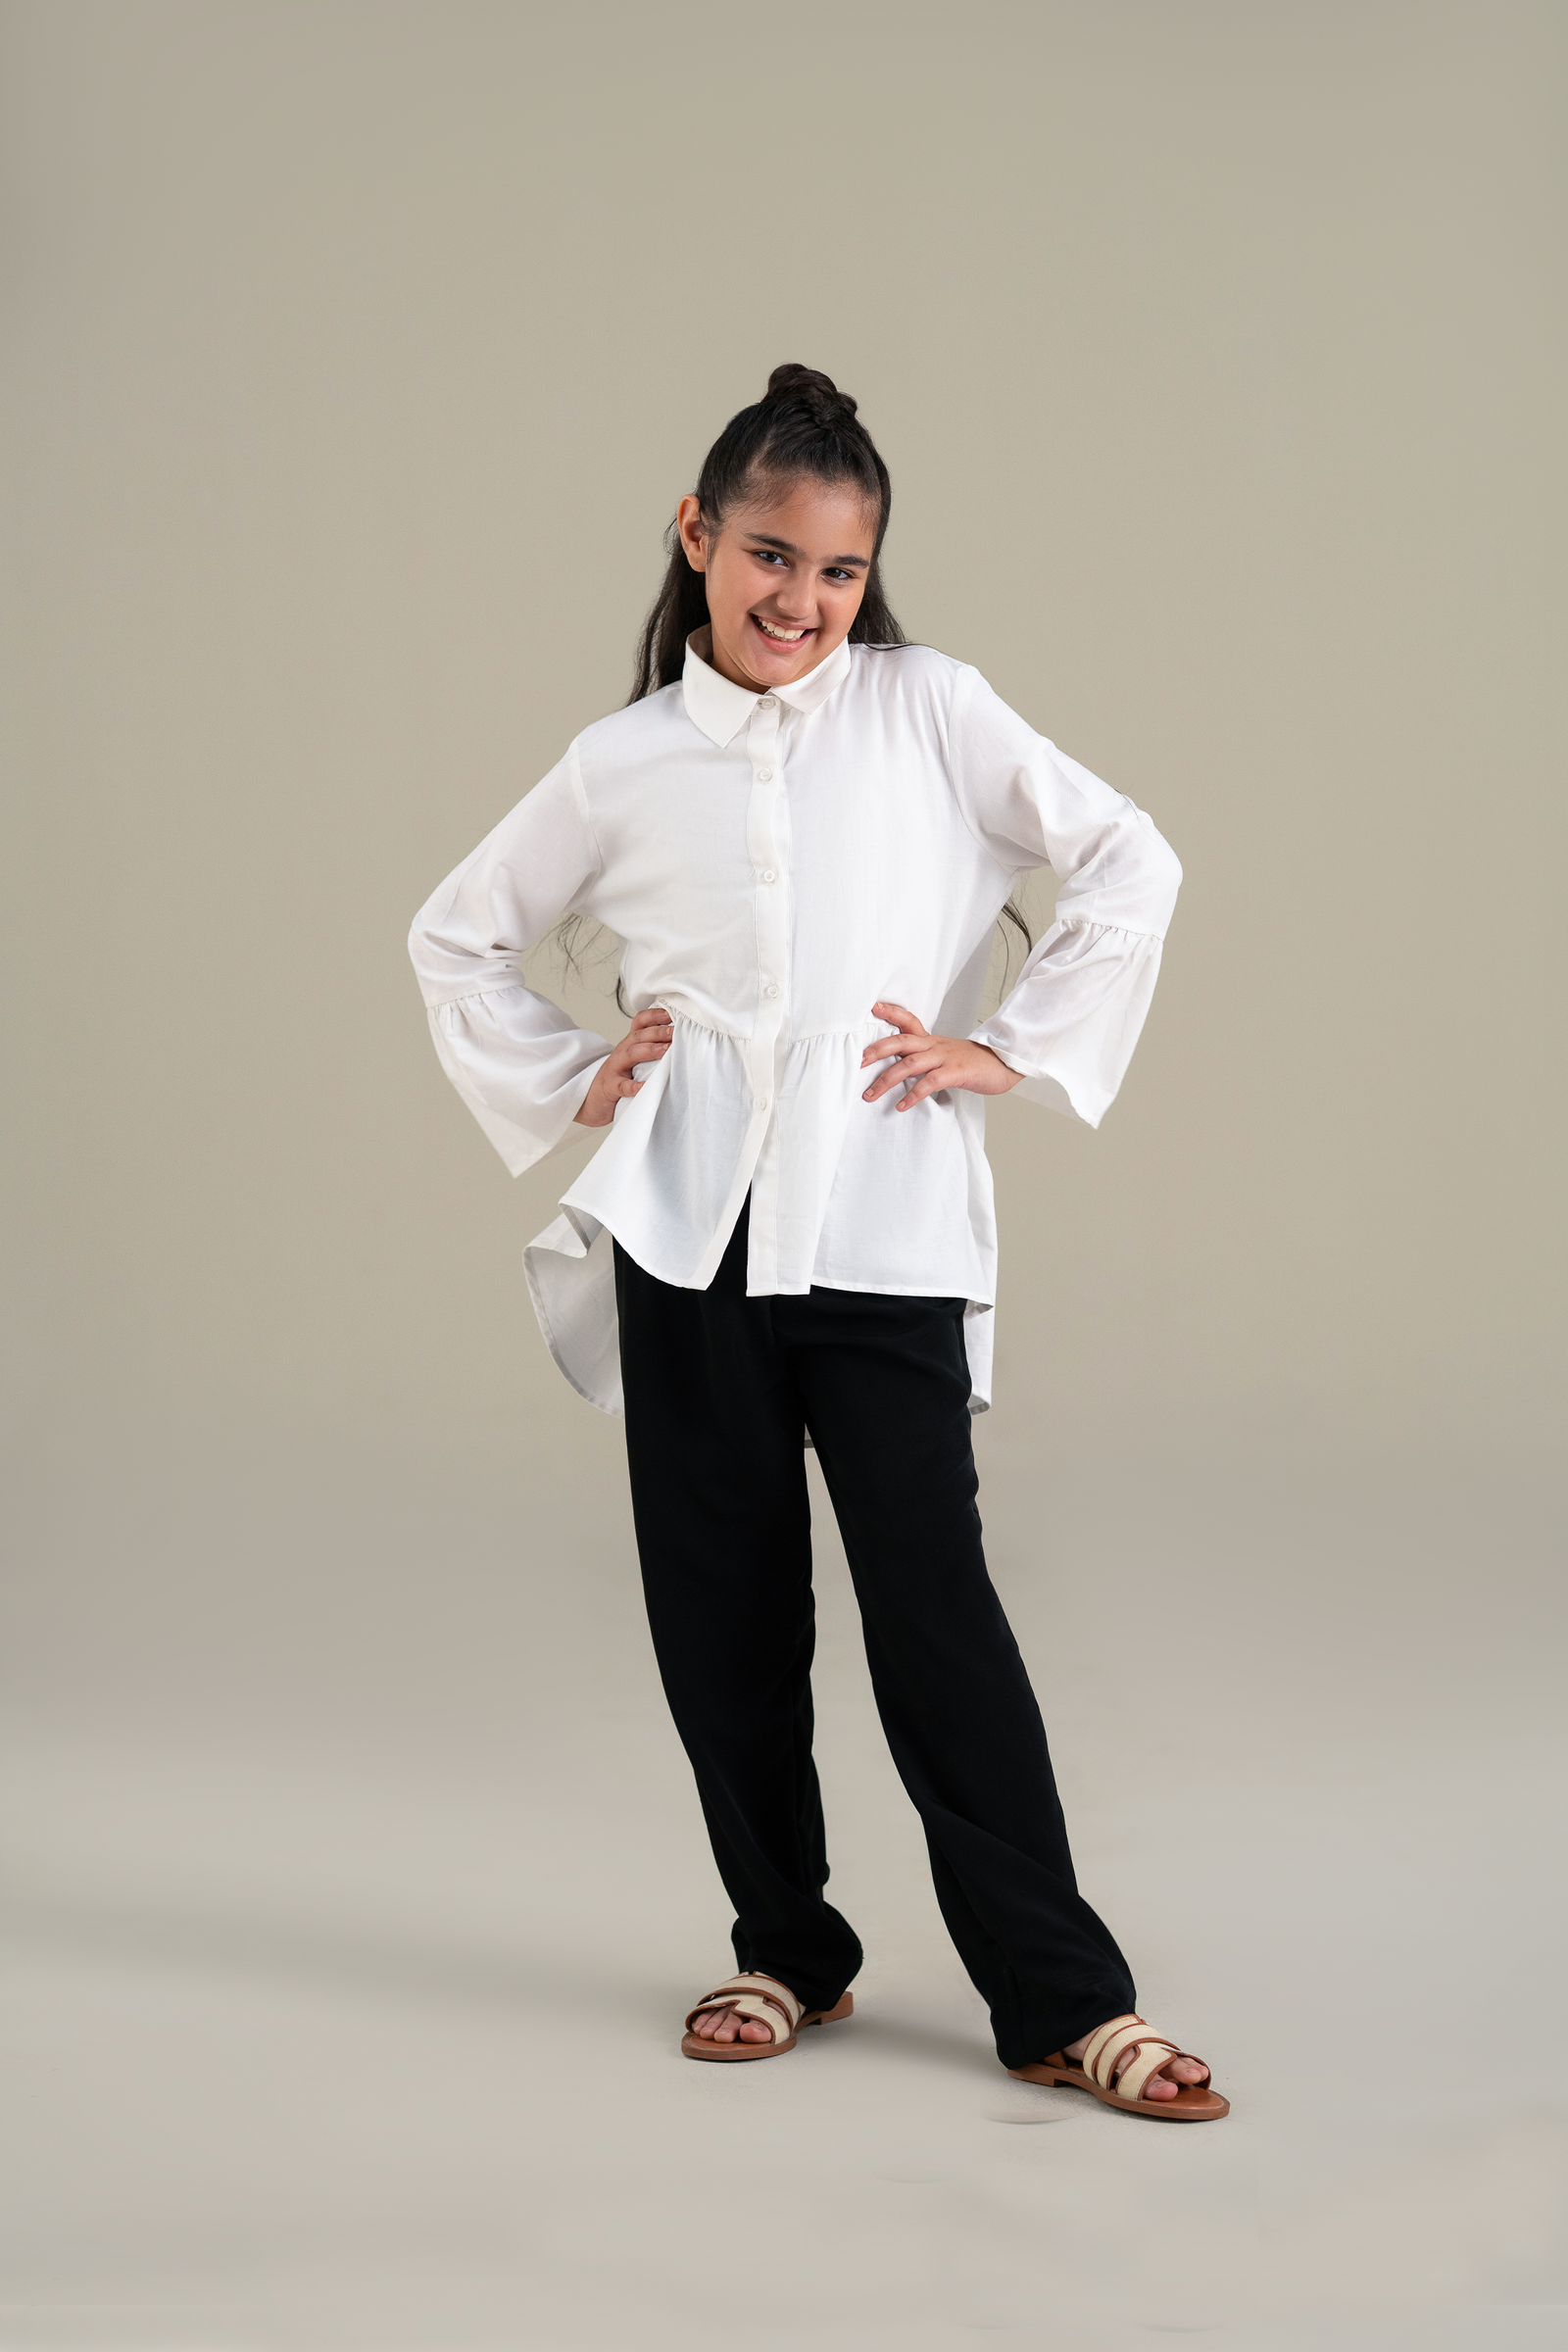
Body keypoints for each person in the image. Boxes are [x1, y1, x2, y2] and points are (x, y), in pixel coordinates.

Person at [409, 365, 1226, 2121]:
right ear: (698, 538)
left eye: (838, 570)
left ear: (871, 577)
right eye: (770, 554)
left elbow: (1128, 859)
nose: (799, 599)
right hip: (688, 1234)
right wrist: (574, 1074)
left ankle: (1065, 2000)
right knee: (722, 1612)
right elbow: (455, 936)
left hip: (884, 1231)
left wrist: (1008, 1050)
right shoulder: (622, 762)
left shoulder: (932, 711)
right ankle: (785, 1949)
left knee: (937, 1613)